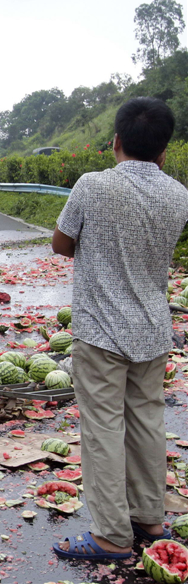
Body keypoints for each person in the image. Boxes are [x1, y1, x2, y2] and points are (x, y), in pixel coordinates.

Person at [51, 97, 188, 561]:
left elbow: (61, 244)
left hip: (102, 331)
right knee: (148, 420)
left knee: (103, 428)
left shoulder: (92, 186)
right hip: (152, 328)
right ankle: (150, 516)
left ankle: (111, 535)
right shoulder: (178, 193)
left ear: (115, 141)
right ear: (164, 152)